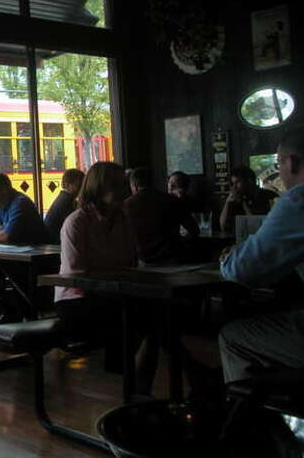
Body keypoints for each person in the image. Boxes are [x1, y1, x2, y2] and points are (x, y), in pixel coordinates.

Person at [219, 125, 304, 383]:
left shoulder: (300, 199)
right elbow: (224, 225)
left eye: (279, 163)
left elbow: (243, 269)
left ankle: (258, 418)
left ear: (291, 162)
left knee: (233, 337)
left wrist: (230, 257)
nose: (279, 172)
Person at [54, 161, 155, 393]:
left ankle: (134, 387)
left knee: (156, 314)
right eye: (118, 186)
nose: (126, 191)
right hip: (74, 301)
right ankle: (133, 386)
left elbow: (131, 263)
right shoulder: (76, 222)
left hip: (110, 295)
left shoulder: (124, 221)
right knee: (146, 316)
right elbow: (76, 278)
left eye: (125, 185)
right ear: (100, 188)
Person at [0, 173, 48, 324]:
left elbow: (6, 237)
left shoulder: (20, 203)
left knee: (0, 270)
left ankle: (23, 311)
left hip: (36, 259)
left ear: (6, 189)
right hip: (13, 257)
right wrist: (1, 228)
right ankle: (9, 311)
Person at [124, 167, 199, 265]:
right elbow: (194, 230)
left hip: (142, 262)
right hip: (173, 260)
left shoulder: (126, 205)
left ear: (134, 185)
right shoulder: (172, 201)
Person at [219, 166, 277, 234]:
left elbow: (256, 227)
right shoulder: (235, 197)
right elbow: (223, 226)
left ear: (250, 181)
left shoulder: (268, 196)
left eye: (237, 182)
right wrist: (227, 203)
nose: (234, 187)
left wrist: (243, 203)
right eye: (233, 183)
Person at [43, 168, 84, 244]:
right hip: (55, 243)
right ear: (68, 185)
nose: (82, 188)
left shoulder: (64, 198)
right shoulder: (67, 202)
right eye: (79, 185)